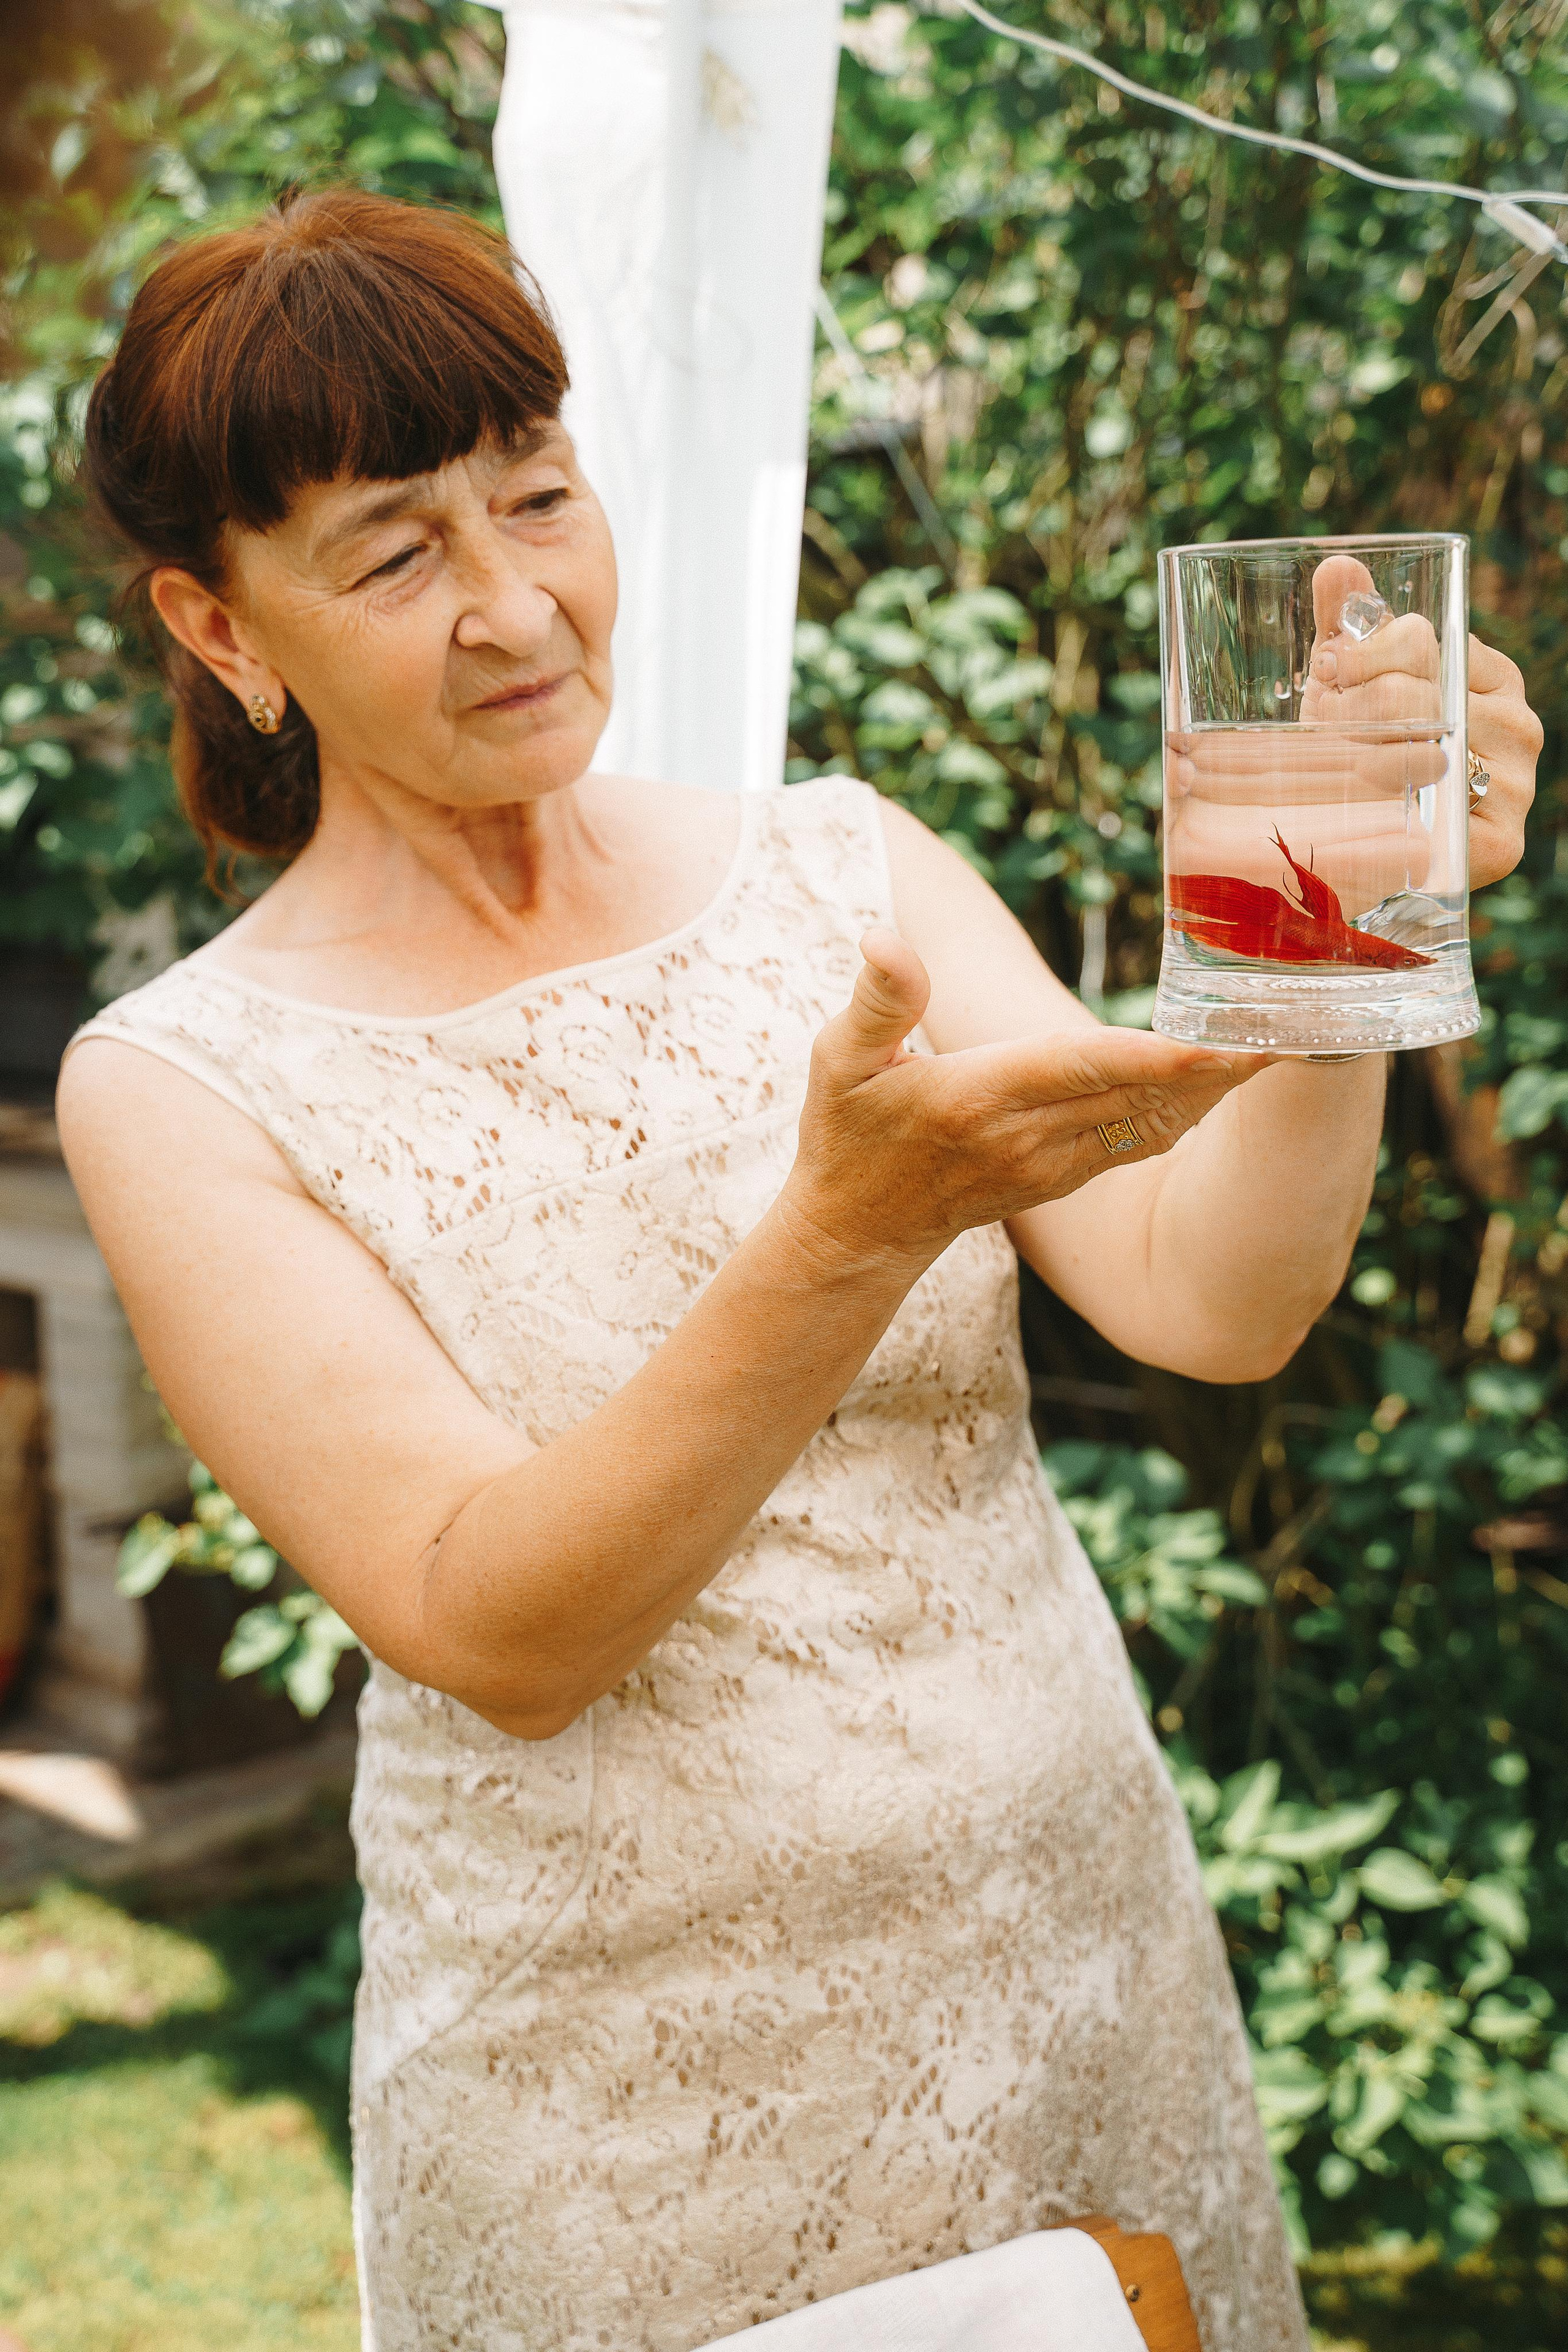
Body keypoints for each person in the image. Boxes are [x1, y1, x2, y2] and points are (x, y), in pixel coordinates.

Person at [57, 189, 1539, 2352]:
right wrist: (844, 1231)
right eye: (394, 555)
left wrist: (1349, 917)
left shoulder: (839, 862)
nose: (513, 603)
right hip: (624, 2125)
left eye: (540, 497)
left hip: (1073, 1975)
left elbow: (1216, 1303)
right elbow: (498, 1623)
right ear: (221, 628)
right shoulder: (179, 1079)